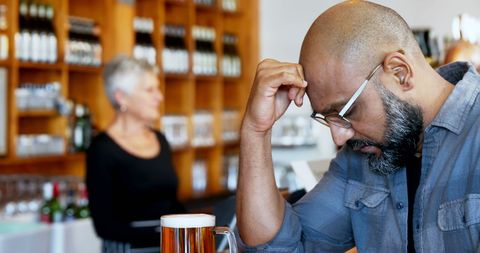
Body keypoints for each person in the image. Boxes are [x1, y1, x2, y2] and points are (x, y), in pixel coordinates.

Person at [236, 1, 480, 252]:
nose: (339, 138)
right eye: (328, 118)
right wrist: (255, 131)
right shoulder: (361, 159)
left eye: (348, 111)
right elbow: (279, 249)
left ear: (400, 73)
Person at [86, 56, 184, 252]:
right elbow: (105, 226)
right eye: (150, 90)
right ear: (121, 97)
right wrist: (169, 235)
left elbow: (172, 205)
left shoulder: (160, 139)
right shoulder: (102, 149)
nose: (160, 97)